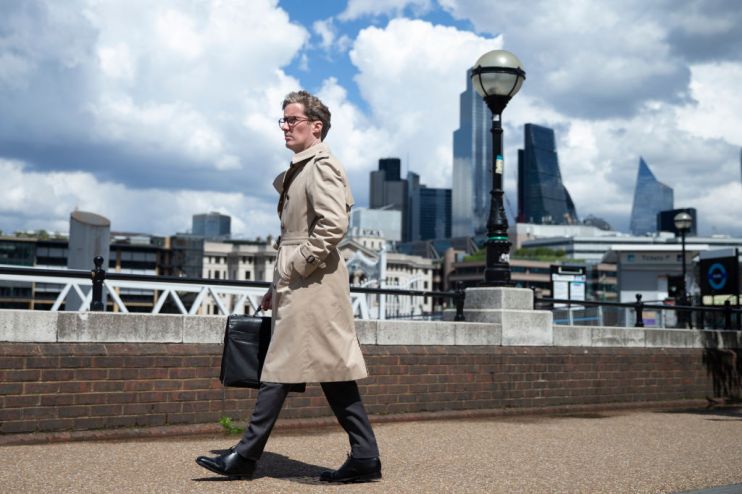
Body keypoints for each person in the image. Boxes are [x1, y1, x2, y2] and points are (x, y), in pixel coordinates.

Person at [196, 91, 381, 483]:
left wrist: (297, 266)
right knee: (333, 370)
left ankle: (246, 455)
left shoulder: (321, 166)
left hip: (312, 281)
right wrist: (276, 284)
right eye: (282, 120)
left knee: (280, 365)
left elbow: (333, 224)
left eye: (292, 120)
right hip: (301, 281)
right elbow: (292, 236)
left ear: (316, 126)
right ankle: (365, 456)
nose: (285, 126)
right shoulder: (302, 168)